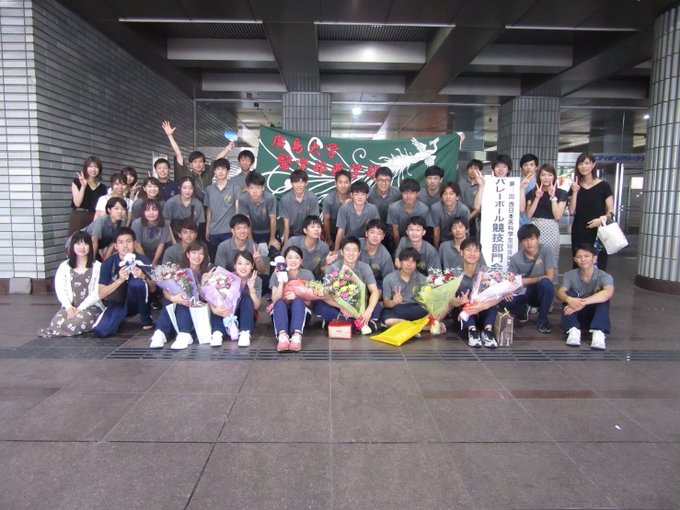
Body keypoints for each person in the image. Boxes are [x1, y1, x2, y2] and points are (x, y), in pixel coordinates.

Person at [38, 231, 103, 337]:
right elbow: (60, 289)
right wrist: (69, 307)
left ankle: (56, 332)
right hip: (70, 307)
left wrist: (80, 308)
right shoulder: (64, 266)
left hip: (91, 307)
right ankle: (58, 330)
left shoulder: (97, 267)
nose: (82, 247)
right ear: (72, 246)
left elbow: (98, 292)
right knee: (55, 321)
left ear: (90, 246)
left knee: (76, 323)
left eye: (85, 244)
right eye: (78, 243)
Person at [93, 227, 156, 337]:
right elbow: (101, 293)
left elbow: (154, 288)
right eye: (121, 242)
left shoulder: (143, 260)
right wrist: (119, 280)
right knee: (101, 331)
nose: (125, 246)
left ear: (134, 243)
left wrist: (143, 277)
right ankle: (118, 317)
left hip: (137, 302)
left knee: (137, 283)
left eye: (128, 241)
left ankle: (146, 318)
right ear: (116, 246)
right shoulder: (108, 263)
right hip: (118, 302)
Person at [149, 241, 211, 350]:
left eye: (201, 253)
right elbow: (165, 291)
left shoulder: (209, 270)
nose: (197, 256)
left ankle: (184, 334)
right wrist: (174, 298)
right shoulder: (178, 270)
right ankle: (160, 332)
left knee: (186, 299)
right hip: (178, 305)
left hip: (197, 310)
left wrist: (204, 284)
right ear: (188, 254)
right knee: (172, 300)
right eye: (194, 252)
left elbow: (209, 296)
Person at [313, 237, 382, 332]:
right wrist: (341, 307)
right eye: (347, 250)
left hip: (359, 308)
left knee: (376, 306)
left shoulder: (364, 267)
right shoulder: (333, 268)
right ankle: (360, 324)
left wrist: (368, 311)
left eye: (354, 250)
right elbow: (326, 295)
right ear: (342, 252)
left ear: (359, 253)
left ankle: (340, 323)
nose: (351, 253)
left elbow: (374, 291)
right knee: (319, 306)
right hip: (338, 307)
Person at [556, 243, 614, 350]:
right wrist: (569, 299)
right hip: (575, 314)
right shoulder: (570, 275)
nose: (583, 259)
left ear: (594, 258)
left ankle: (598, 332)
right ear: (575, 259)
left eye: (586, 256)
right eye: (579, 257)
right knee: (569, 294)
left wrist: (581, 303)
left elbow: (608, 293)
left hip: (594, 314)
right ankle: (573, 330)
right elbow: (560, 292)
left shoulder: (605, 276)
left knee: (602, 297)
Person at [161, 120, 234, 202]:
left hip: (207, 205)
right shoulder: (186, 173)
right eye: (195, 162)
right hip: (191, 206)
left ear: (204, 163)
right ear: (190, 164)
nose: (198, 164)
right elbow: (178, 153)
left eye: (200, 161)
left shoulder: (208, 173)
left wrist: (228, 148)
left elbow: (218, 159)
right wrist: (170, 136)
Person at [504, 224, 556, 334]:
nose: (529, 243)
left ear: (538, 239)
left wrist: (525, 281)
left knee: (546, 283)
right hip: (525, 293)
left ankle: (542, 319)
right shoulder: (515, 258)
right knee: (504, 300)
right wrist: (507, 290)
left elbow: (549, 276)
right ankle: (522, 309)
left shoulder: (546, 250)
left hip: (541, 291)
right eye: (525, 240)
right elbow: (511, 281)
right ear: (521, 242)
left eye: (532, 239)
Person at [569, 153, 614, 271]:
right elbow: (572, 211)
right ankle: (578, 282)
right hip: (579, 230)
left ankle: (598, 282)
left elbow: (610, 210)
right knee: (579, 259)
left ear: (593, 165)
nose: (583, 166)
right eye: (580, 163)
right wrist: (575, 192)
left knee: (598, 260)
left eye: (587, 163)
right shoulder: (575, 186)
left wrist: (601, 220)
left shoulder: (604, 186)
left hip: (599, 231)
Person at [450, 238, 498, 349]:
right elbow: (449, 299)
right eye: (468, 250)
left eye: (476, 251)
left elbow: (498, 296)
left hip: (482, 313)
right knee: (463, 293)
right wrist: (459, 301)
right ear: (461, 253)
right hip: (462, 316)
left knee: (492, 298)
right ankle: (472, 331)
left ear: (479, 254)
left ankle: (488, 331)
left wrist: (484, 305)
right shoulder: (454, 273)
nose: (472, 254)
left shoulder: (486, 272)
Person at [522, 164, 568, 280]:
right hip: (534, 228)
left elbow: (557, 215)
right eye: (543, 175)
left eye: (549, 175)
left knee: (550, 258)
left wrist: (553, 197)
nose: (546, 178)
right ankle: (531, 284)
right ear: (539, 177)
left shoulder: (561, 193)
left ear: (554, 177)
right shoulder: (532, 193)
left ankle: (550, 284)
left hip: (551, 229)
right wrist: (537, 198)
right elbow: (528, 215)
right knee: (532, 257)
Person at [210, 250, 261, 347]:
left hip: (246, 315)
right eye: (240, 263)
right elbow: (212, 297)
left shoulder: (256, 279)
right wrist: (215, 309)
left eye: (247, 263)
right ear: (235, 265)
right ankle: (217, 332)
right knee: (219, 300)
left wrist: (251, 288)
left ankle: (244, 333)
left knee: (246, 299)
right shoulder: (227, 278)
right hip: (227, 314)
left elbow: (256, 306)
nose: (243, 267)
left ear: (252, 265)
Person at [269, 246, 315, 352]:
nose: (293, 261)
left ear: (301, 260)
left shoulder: (307, 274)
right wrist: (281, 280)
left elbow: (309, 302)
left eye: (296, 257)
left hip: (301, 315)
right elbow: (274, 300)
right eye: (289, 257)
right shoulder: (276, 274)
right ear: (284, 260)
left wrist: (296, 296)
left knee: (298, 301)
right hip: (280, 314)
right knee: (280, 302)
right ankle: (282, 337)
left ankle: (296, 336)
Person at [381, 248, 428, 326]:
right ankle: (415, 325)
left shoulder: (422, 279)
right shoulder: (389, 278)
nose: (409, 264)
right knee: (388, 320)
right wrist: (394, 302)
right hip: (397, 308)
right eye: (406, 260)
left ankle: (405, 325)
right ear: (400, 262)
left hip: (415, 308)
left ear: (417, 264)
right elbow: (386, 303)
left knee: (427, 312)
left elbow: (426, 304)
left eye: (413, 261)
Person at [204, 157, 238, 261]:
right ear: (214, 171)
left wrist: (236, 229)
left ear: (228, 171)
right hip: (213, 232)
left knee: (229, 262)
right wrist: (207, 228)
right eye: (218, 169)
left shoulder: (235, 188)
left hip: (229, 231)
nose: (220, 172)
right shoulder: (209, 189)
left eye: (223, 169)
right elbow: (209, 211)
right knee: (215, 261)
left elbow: (238, 210)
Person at [236, 171, 279, 251]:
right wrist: (250, 241)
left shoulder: (270, 198)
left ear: (263, 188)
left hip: (269, 231)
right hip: (252, 232)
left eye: (258, 188)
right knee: (250, 252)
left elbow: (273, 219)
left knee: (275, 251)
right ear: (247, 189)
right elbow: (247, 221)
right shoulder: (242, 199)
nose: (255, 191)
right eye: (251, 188)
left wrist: (272, 239)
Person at [334, 180, 380, 251]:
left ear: (367, 196)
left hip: (365, 242)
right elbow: (341, 231)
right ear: (351, 195)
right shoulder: (344, 208)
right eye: (356, 194)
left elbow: (376, 229)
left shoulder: (372, 209)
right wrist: (336, 250)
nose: (360, 197)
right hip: (348, 241)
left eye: (363, 194)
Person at [386, 178, 432, 247]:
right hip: (399, 238)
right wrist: (399, 247)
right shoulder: (393, 208)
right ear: (401, 193)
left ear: (417, 193)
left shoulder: (424, 209)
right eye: (405, 193)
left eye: (412, 193)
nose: (408, 196)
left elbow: (423, 230)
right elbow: (395, 230)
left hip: (417, 238)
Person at [279, 170, 320, 244]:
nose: (299, 185)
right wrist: (286, 244)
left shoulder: (313, 198)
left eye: (301, 182)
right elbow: (286, 223)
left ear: (306, 183)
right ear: (291, 183)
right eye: (296, 182)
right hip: (291, 234)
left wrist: (310, 240)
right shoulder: (285, 199)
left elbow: (313, 222)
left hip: (307, 233)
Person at [69, 156, 107, 234]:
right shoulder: (77, 182)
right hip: (79, 216)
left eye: (96, 167)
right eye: (90, 166)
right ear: (86, 168)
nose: (93, 169)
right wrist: (83, 186)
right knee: (77, 240)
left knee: (93, 240)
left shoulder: (103, 187)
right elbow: (77, 203)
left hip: (95, 217)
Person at [368, 166, 401, 251]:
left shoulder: (398, 193)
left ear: (391, 181)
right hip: (375, 228)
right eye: (380, 180)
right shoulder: (368, 194)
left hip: (392, 228)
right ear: (375, 180)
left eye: (387, 180)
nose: (384, 183)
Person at [131, 199, 172, 266]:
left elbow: (162, 244)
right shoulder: (137, 224)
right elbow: (137, 245)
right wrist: (146, 263)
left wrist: (154, 262)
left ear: (159, 211)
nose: (151, 213)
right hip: (140, 253)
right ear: (143, 212)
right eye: (147, 210)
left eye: (154, 210)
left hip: (157, 254)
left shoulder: (165, 223)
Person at [430, 182, 470, 248]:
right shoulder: (435, 208)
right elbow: (436, 231)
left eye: (451, 194)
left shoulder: (464, 210)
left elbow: (465, 231)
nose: (448, 197)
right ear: (441, 197)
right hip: (442, 240)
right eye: (445, 194)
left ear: (457, 197)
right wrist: (437, 249)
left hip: (459, 240)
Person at [359, 219, 394, 288]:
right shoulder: (356, 244)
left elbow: (389, 278)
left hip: (375, 281)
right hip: (355, 277)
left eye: (379, 233)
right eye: (372, 232)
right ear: (366, 233)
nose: (375, 236)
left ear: (383, 237)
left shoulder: (385, 255)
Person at [322, 169, 351, 248]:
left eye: (346, 182)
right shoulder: (329, 199)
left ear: (350, 184)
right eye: (340, 182)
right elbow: (326, 220)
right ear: (335, 183)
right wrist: (329, 239)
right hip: (334, 232)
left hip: (350, 233)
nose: (343, 185)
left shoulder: (354, 197)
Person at [458, 159, 483, 238]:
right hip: (460, 215)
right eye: (470, 168)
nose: (472, 171)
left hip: (476, 216)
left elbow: (479, 207)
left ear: (480, 171)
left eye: (475, 168)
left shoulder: (482, 185)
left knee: (473, 237)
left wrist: (467, 218)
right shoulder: (461, 181)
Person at [518, 153, 538, 226]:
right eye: (525, 165)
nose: (528, 167)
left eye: (531, 165)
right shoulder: (516, 182)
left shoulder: (540, 183)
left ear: (536, 167)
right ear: (521, 168)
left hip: (534, 222)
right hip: (517, 221)